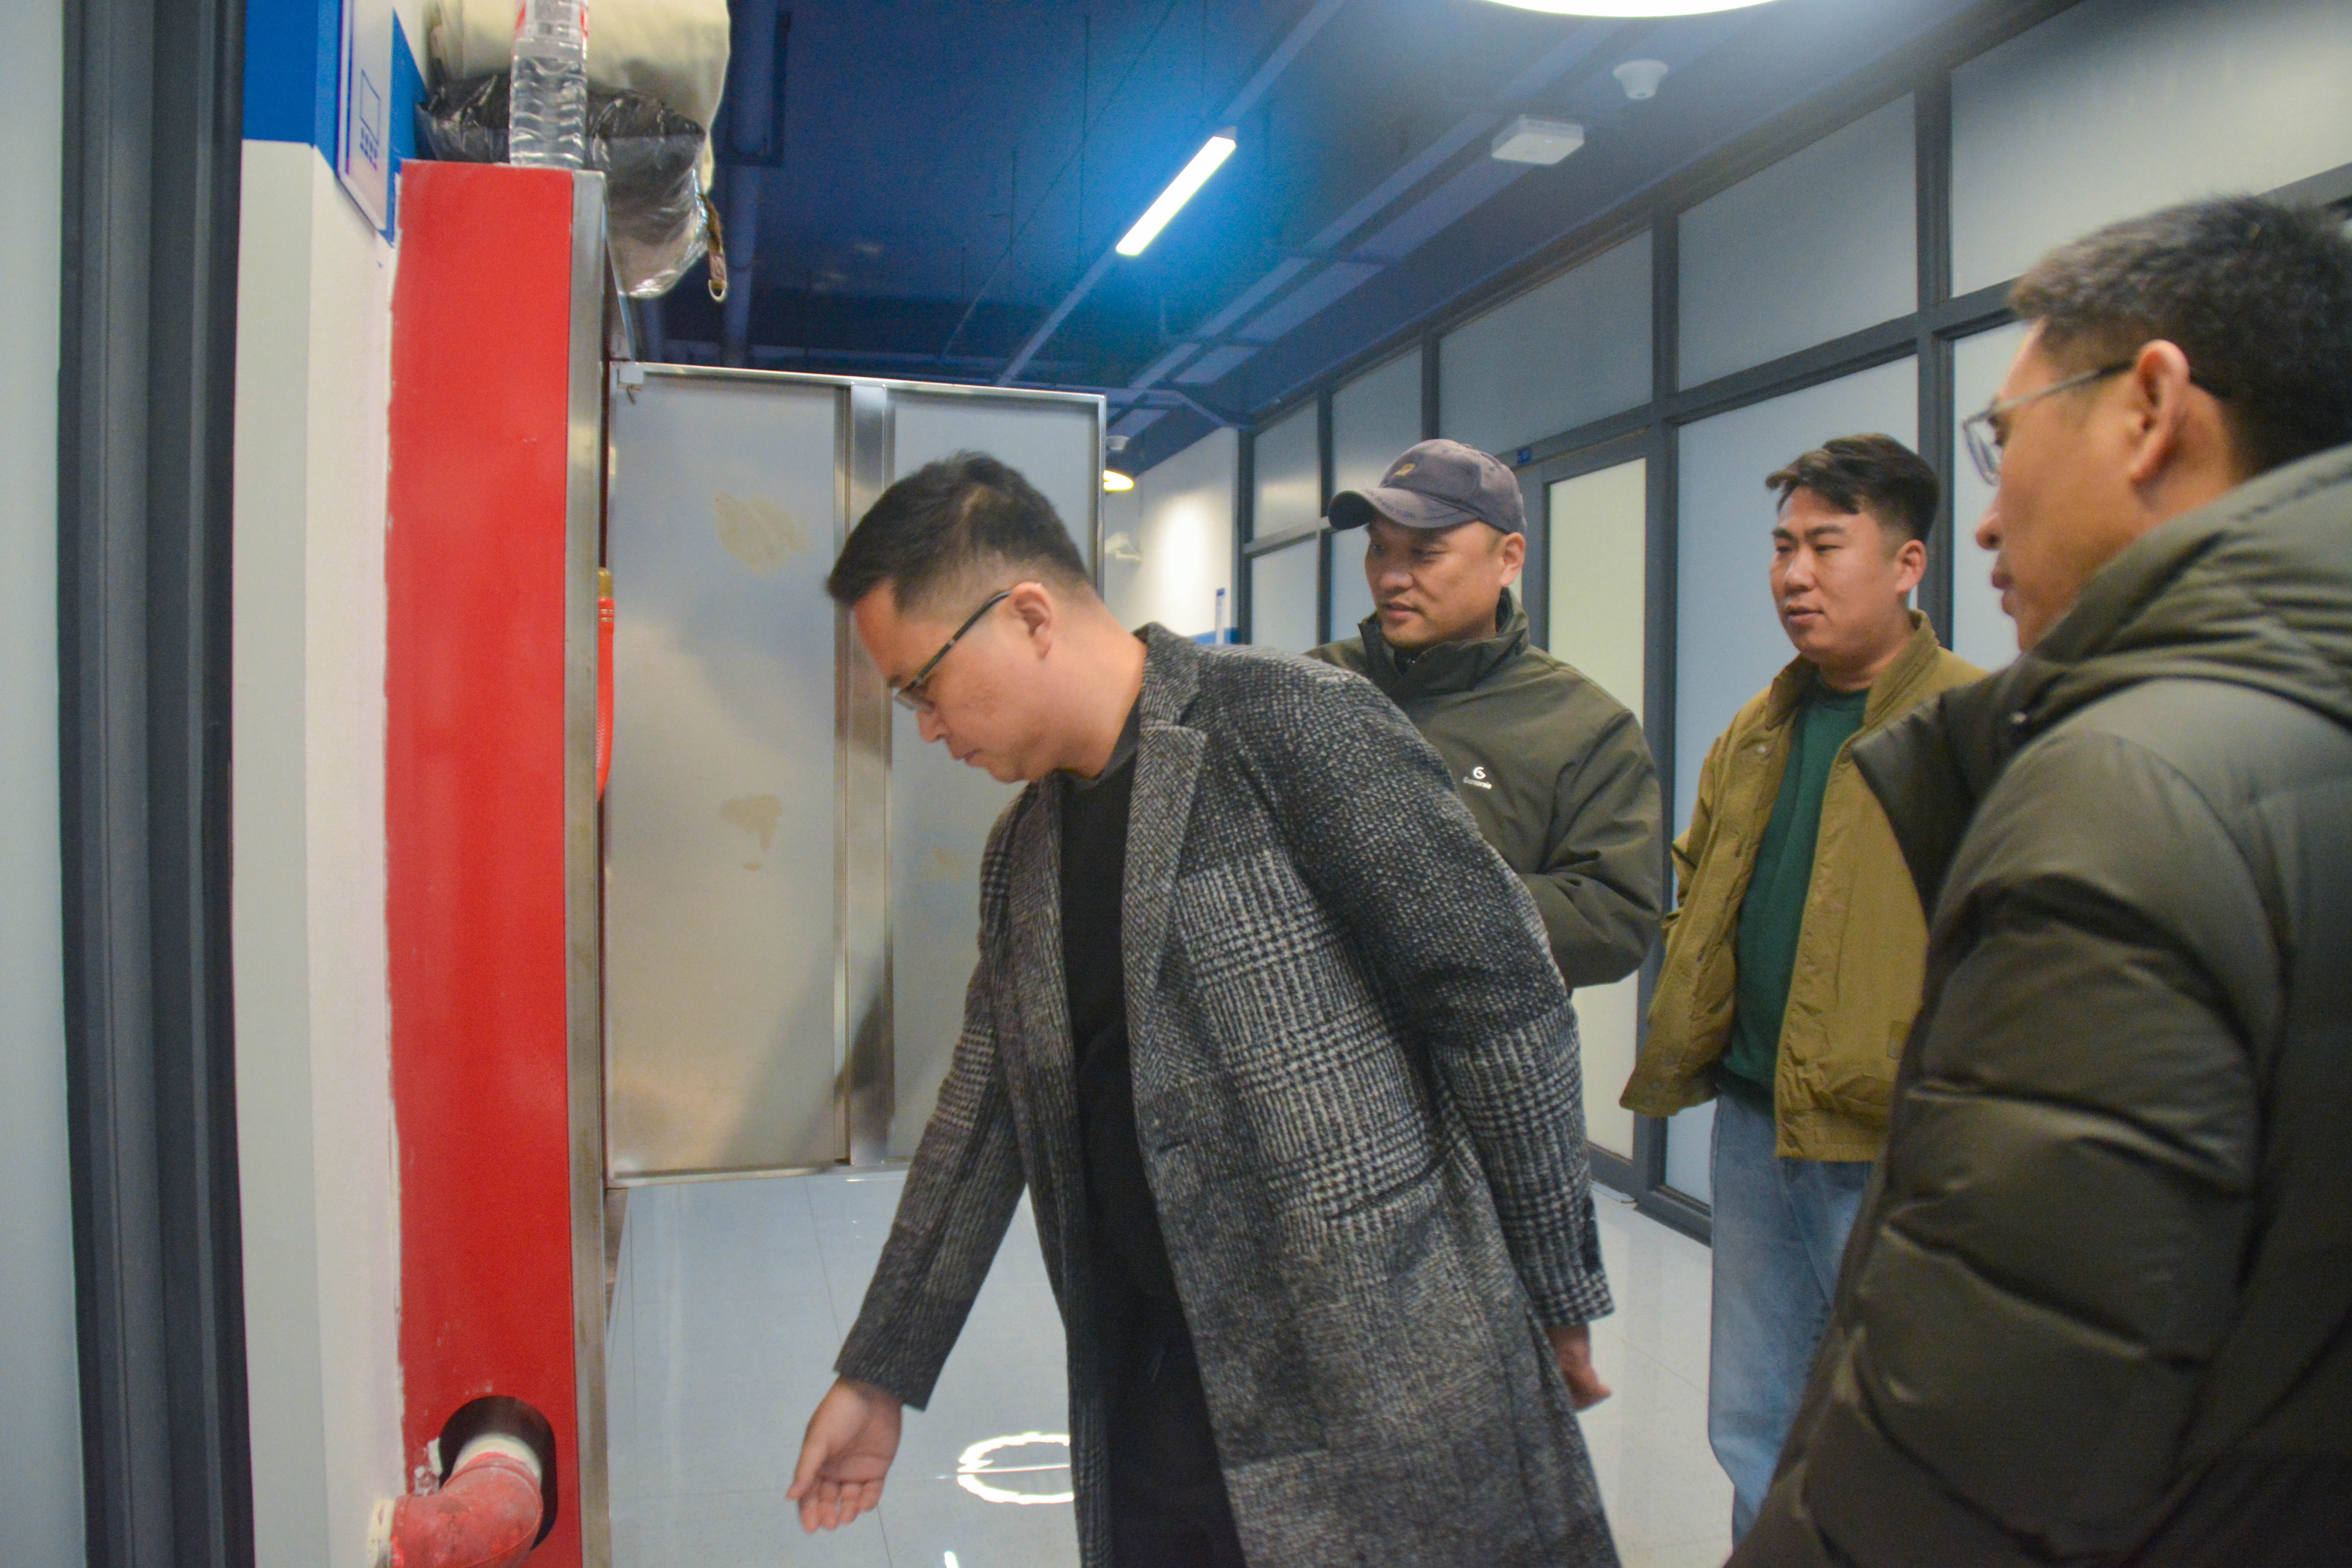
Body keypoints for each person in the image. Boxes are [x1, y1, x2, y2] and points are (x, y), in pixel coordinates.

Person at [789, 452, 1622, 1568]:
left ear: (1028, 615)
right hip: (1152, 1397)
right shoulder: (1023, 851)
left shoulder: (1289, 724)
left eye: (922, 685)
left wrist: (1555, 1289)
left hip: (1375, 1379)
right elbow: (983, 1113)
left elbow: (1501, 1002)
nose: (927, 726)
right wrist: (880, 1369)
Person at [1735, 197, 2352, 1566]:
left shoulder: (2129, 791)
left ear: (2151, 408)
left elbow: (1979, 1437)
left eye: (2002, 439)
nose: (1988, 519)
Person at [1619, 434, 1981, 1541]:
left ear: (1909, 562)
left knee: (1906, 1421)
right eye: (1783, 548)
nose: (1794, 575)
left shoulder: (1969, 725)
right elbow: (1699, 881)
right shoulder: (1760, 727)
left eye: (1827, 546)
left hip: (1891, 1139)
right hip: (1754, 1119)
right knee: (1755, 1416)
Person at [1308, 438, 1665, 1004]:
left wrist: (1430, 903)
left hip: (1475, 1047)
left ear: (1509, 559)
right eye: (1378, 548)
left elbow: (1613, 919)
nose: (1391, 578)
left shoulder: (1583, 726)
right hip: (1300, 1037)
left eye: (1425, 553)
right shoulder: (1312, 686)